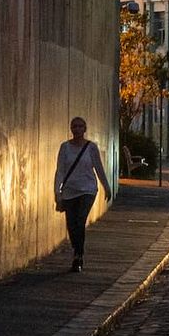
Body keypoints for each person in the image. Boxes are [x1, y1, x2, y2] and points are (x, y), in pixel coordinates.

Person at [53, 116, 110, 272]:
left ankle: (78, 256)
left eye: (80, 126)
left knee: (80, 220)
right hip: (70, 191)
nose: (77, 129)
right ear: (71, 129)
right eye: (74, 126)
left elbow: (98, 168)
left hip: (87, 190)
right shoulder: (65, 147)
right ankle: (76, 248)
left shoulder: (91, 148)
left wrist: (106, 186)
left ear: (85, 129)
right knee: (71, 224)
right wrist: (57, 192)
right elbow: (60, 170)